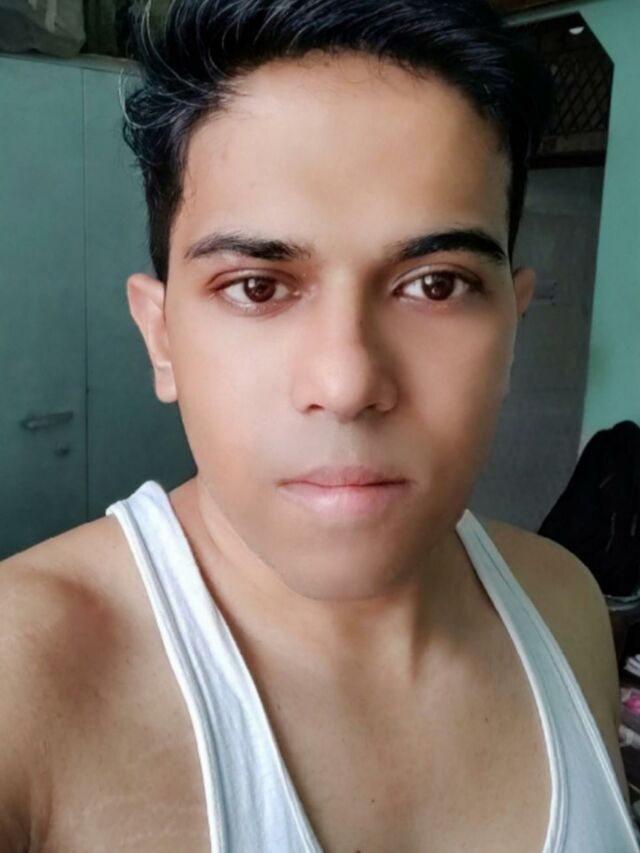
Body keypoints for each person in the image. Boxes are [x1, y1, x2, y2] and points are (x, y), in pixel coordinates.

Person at [1, 0, 637, 850]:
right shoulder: (24, 675)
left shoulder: (565, 606)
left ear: (512, 328)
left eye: (437, 284)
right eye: (257, 286)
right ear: (161, 338)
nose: (347, 383)